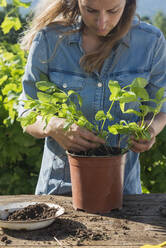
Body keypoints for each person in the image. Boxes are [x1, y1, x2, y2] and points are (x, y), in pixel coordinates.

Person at [18, 0, 166, 195]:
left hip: (123, 192)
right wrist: (53, 125)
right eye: (91, 10)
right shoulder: (50, 39)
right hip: (59, 191)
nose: (102, 22)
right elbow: (27, 111)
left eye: (113, 11)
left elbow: (160, 110)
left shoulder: (150, 42)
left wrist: (150, 130)